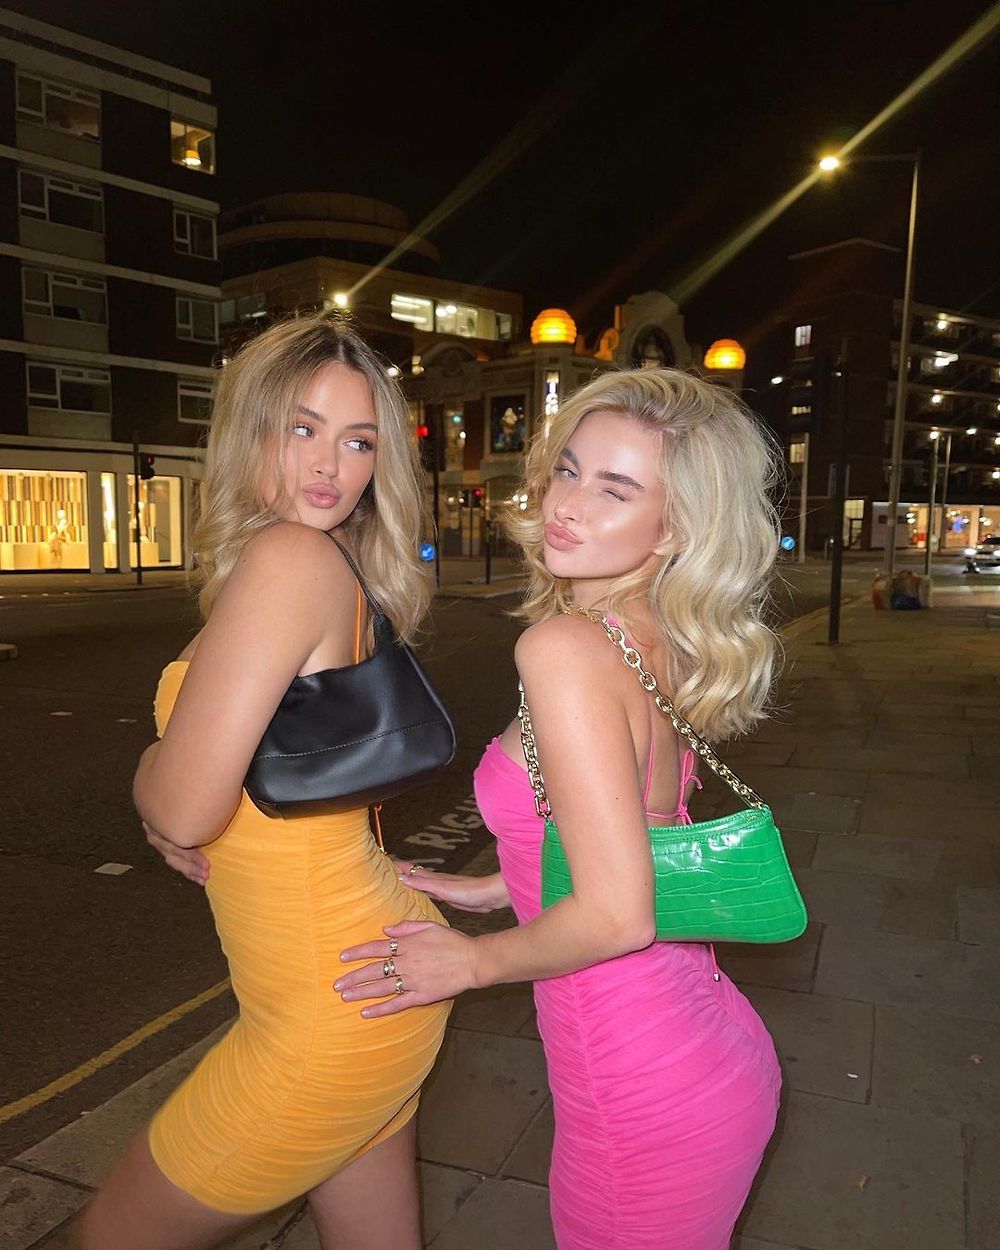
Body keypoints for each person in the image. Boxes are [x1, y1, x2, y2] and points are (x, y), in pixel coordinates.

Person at [336, 367, 784, 1250]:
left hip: (638, 1094)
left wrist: (470, 964)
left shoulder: (567, 649)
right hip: (709, 1047)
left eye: (615, 489)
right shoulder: (656, 635)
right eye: (569, 471)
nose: (567, 505)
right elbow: (642, 828)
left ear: (676, 527)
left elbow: (618, 914)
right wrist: (503, 883)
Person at [74, 317, 451, 1250]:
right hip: (372, 979)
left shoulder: (288, 558)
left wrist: (152, 779)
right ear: (249, 430)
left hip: (328, 1011)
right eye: (302, 428)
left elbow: (187, 807)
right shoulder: (334, 563)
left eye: (358, 441)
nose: (330, 465)